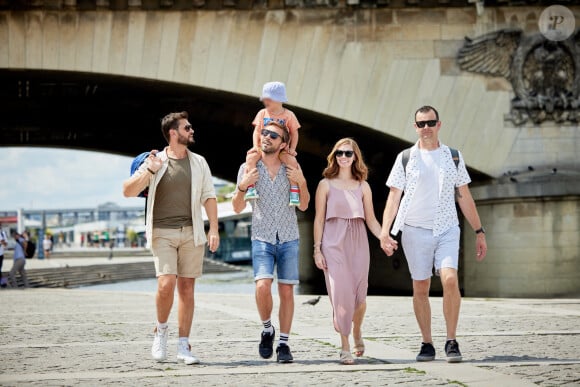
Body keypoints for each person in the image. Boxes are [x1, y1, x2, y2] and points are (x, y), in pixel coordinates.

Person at [379, 105, 487, 363]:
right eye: (421, 124)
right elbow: (394, 197)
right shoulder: (405, 158)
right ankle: (427, 342)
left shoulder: (453, 157)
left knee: (450, 280)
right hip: (415, 230)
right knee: (421, 288)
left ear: (439, 124)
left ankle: (451, 340)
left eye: (430, 122)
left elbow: (464, 196)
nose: (425, 128)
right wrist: (385, 232)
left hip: (447, 227)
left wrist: (479, 231)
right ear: (415, 127)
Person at [123, 111, 220, 365]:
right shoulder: (154, 161)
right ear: (173, 133)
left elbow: (209, 195)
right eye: (187, 127)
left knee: (187, 289)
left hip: (192, 232)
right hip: (162, 233)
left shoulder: (199, 162)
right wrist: (149, 172)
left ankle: (184, 345)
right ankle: (161, 331)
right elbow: (127, 191)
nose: (192, 130)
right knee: (166, 284)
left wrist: (214, 229)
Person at [233, 121, 310, 364]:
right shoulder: (248, 167)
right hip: (262, 237)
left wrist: (302, 181)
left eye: (273, 135)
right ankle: (267, 329)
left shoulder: (292, 168)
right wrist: (242, 186)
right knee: (262, 286)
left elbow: (305, 205)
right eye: (264, 133)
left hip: (289, 237)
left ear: (283, 143)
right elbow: (237, 207)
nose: (266, 137)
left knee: (287, 291)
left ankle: (284, 344)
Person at [313, 138, 383, 365]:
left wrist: (384, 238)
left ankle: (357, 330)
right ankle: (344, 347)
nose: (343, 157)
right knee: (341, 294)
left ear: (355, 158)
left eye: (348, 154)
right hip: (333, 243)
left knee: (360, 298)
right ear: (334, 156)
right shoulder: (325, 184)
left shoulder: (364, 186)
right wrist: (317, 249)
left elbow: (371, 219)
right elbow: (318, 220)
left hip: (358, 242)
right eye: (340, 153)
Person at [244, 81, 302, 206]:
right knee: (250, 158)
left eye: (268, 99)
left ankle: (294, 191)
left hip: (282, 150)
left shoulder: (289, 115)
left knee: (292, 162)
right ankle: (251, 187)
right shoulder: (262, 113)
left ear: (279, 99)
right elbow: (257, 131)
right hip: (263, 148)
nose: (265, 102)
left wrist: (292, 148)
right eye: (264, 99)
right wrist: (255, 146)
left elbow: (294, 133)